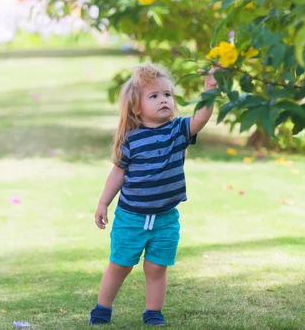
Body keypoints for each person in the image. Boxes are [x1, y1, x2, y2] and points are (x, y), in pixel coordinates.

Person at [89, 63, 218, 326]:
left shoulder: (178, 131)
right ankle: (102, 308)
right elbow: (117, 174)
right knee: (121, 265)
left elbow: (201, 118)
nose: (164, 100)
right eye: (155, 96)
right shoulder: (131, 139)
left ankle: (153, 312)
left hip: (165, 218)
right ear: (137, 108)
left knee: (157, 267)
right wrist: (103, 203)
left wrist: (210, 88)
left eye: (168, 95)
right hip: (131, 218)